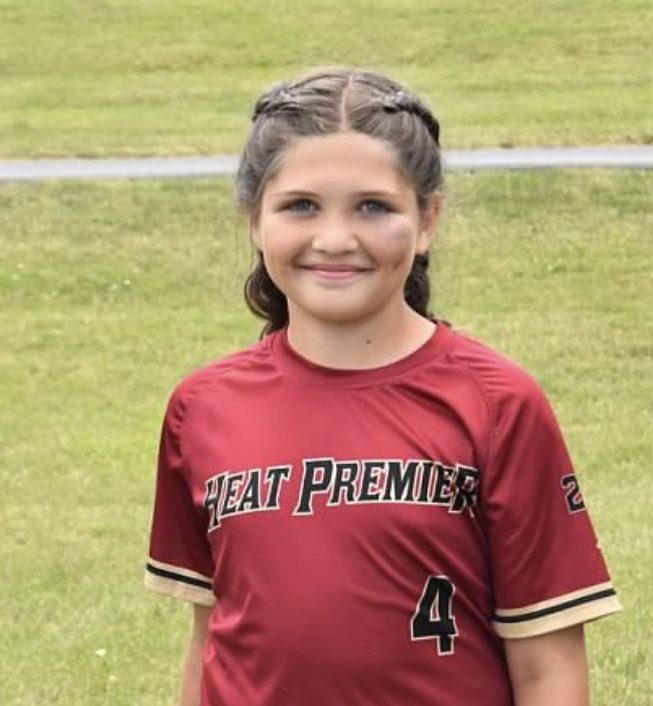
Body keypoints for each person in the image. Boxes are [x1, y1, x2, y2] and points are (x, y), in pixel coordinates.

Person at [145, 67, 621, 706]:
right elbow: (210, 637)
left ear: (427, 220)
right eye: (300, 206)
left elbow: (547, 668)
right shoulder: (202, 408)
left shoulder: (496, 404)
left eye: (373, 207)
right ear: (255, 219)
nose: (335, 239)